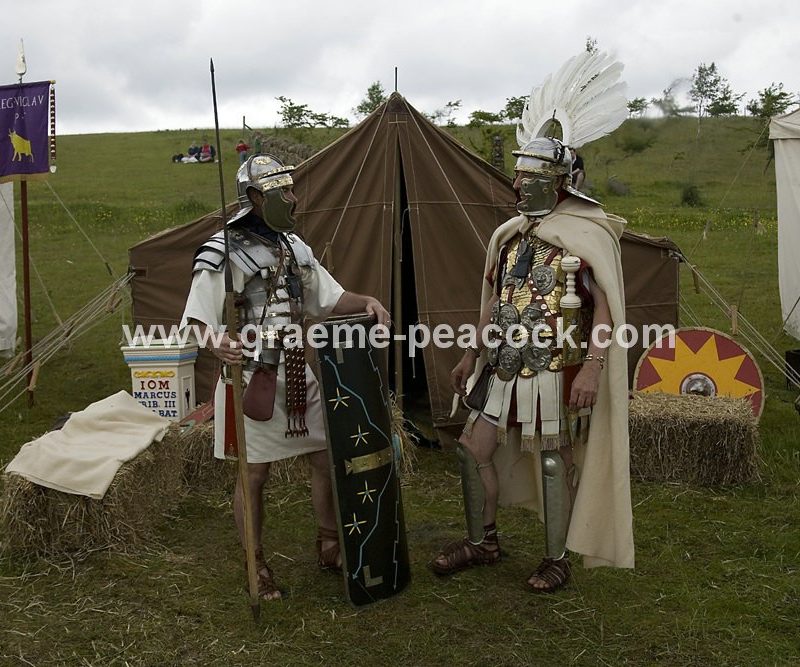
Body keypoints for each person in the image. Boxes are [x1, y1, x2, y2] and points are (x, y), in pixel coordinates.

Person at [180, 154, 389, 600]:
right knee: (253, 476)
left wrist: (367, 300)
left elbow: (329, 300)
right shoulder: (223, 249)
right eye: (283, 192)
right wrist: (215, 341)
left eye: (291, 190)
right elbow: (195, 318)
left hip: (299, 371)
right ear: (255, 198)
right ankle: (256, 564)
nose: (293, 198)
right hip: (253, 375)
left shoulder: (294, 247)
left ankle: (329, 543)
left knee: (324, 458)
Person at [431, 137, 634, 592]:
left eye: (529, 177)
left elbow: (605, 310)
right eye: (519, 175)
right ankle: (483, 542)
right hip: (502, 367)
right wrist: (470, 353)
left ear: (559, 183)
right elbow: (494, 302)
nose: (518, 183)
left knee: (553, 463)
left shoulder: (587, 237)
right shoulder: (510, 236)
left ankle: (555, 558)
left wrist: (594, 366)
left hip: (556, 368)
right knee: (470, 451)